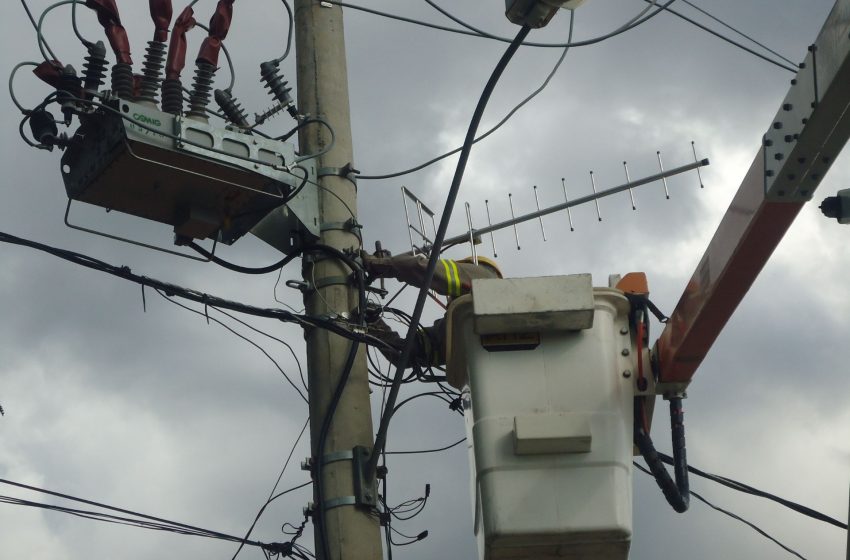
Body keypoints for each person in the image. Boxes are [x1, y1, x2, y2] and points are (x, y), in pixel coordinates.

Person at [362, 253, 502, 368]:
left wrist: (380, 264)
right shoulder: (461, 326)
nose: (449, 297)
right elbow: (407, 354)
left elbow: (424, 269)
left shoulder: (484, 277)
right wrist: (374, 323)